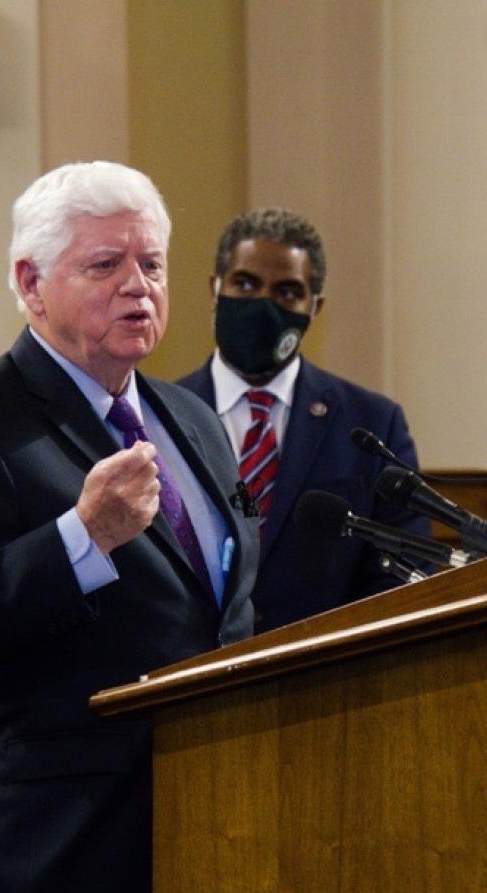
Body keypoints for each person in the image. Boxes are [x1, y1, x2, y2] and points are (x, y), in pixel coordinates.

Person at [0, 162, 258, 893]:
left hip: (201, 864)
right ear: (31, 283)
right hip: (41, 882)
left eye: (152, 264)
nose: (138, 287)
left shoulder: (193, 419)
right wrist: (78, 541)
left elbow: (221, 619)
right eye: (104, 266)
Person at [178, 207, 428, 632]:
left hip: (326, 679)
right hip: (190, 676)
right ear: (214, 288)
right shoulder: (159, 415)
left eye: (287, 292)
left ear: (315, 308)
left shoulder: (371, 425)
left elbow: (404, 570)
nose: (263, 306)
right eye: (245, 283)